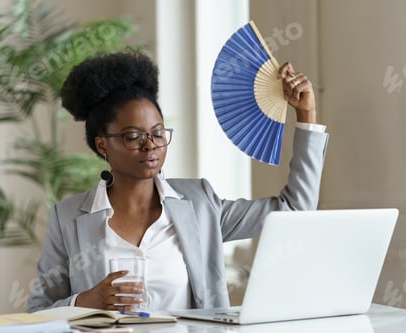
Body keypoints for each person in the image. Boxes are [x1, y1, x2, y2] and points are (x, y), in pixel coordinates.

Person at [26, 50, 328, 312]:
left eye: (158, 133)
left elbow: (294, 209)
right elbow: (38, 311)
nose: (150, 146)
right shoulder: (68, 219)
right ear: (102, 145)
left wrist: (306, 113)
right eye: (133, 136)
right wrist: (84, 301)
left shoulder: (200, 204)